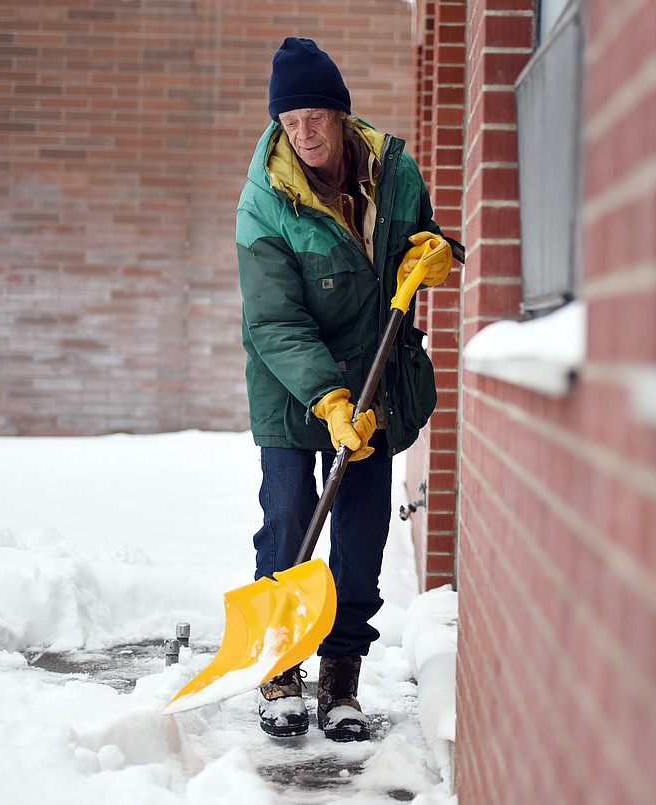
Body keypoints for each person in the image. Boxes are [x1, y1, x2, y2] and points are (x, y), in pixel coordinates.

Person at [235, 36, 452, 742]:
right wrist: (327, 400)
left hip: (374, 378)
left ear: (338, 112)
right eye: (288, 122)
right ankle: (279, 667)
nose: (302, 134)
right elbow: (274, 320)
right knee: (292, 514)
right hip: (294, 387)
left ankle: (341, 675)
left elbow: (420, 238)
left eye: (313, 118)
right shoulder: (266, 201)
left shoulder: (393, 171)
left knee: (359, 528)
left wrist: (433, 250)